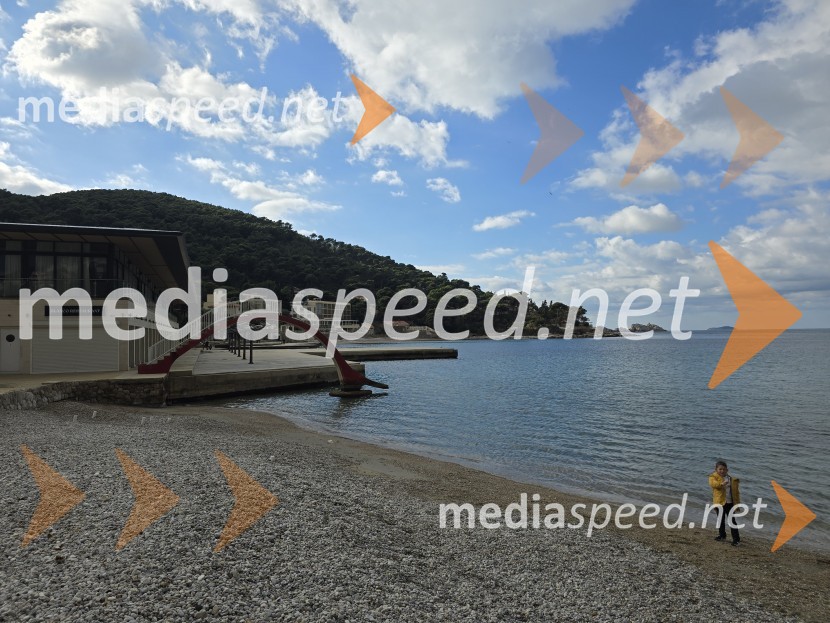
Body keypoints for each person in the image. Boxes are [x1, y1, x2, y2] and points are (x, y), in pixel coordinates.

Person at [709, 460, 741, 546]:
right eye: (720, 469)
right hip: (719, 503)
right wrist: (722, 484)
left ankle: (736, 539)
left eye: (724, 469)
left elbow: (736, 493)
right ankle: (722, 535)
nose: (722, 471)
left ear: (727, 470)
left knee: (732, 521)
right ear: (716, 470)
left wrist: (737, 504)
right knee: (720, 520)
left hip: (730, 503)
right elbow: (714, 485)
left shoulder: (731, 479)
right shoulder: (713, 477)